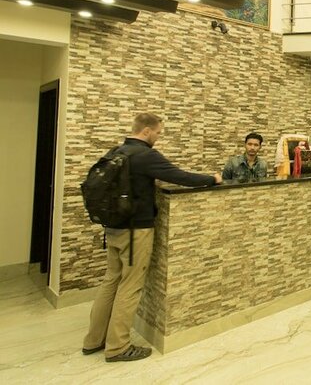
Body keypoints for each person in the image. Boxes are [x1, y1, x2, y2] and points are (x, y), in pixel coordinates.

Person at [83, 113, 222, 362]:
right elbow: (181, 177)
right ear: (146, 131)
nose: (158, 137)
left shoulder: (117, 151)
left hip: (113, 228)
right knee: (130, 286)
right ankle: (117, 347)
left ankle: (94, 340)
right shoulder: (145, 155)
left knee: (110, 281)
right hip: (135, 231)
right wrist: (212, 179)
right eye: (158, 133)